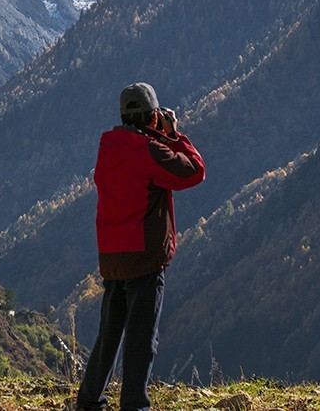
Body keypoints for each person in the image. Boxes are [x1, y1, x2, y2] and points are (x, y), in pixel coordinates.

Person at [76, 82, 206, 411]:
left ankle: (90, 401)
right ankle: (135, 405)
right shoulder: (149, 150)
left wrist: (154, 134)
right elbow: (193, 172)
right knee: (141, 338)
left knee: (110, 334)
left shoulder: (108, 147)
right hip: (144, 258)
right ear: (152, 118)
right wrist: (173, 134)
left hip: (112, 256)